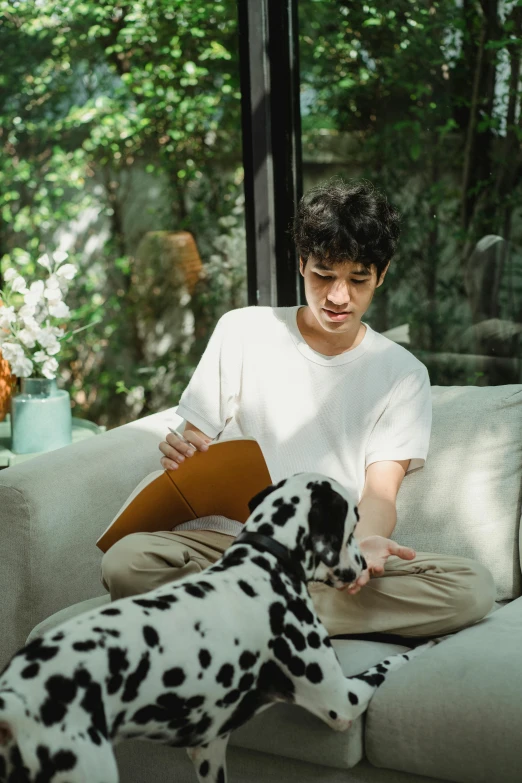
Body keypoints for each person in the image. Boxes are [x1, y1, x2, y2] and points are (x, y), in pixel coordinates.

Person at [101, 178, 495, 638]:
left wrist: (365, 542)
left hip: (323, 559)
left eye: (358, 279)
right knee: (126, 562)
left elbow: (380, 492)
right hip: (230, 545)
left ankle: (237, 614)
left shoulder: (402, 373)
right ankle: (279, 614)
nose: (338, 297)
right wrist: (180, 456)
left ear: (382, 274)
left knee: (471, 587)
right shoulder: (244, 331)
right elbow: (194, 442)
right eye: (324, 275)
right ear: (302, 263)